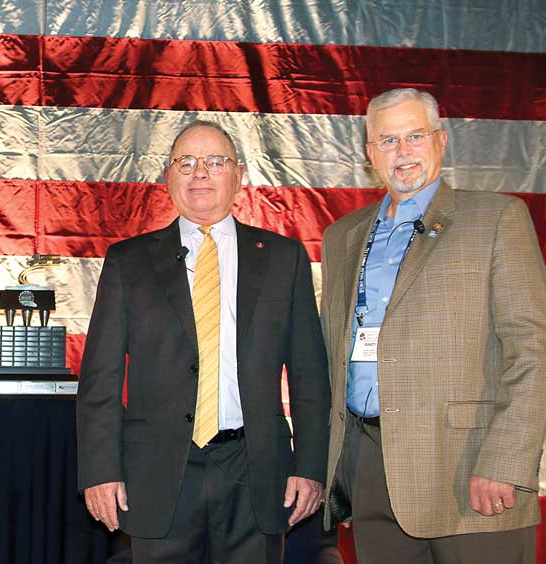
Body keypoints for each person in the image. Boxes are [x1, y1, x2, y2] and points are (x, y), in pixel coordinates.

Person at [77, 120, 330, 563]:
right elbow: (100, 378)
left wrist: (310, 467)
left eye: (215, 162)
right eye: (186, 163)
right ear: (168, 176)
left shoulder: (284, 258)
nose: (200, 174)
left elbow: (309, 376)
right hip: (156, 475)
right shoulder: (128, 261)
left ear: (238, 174)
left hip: (257, 472)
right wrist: (99, 471)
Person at [321, 87, 546, 564]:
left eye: (414, 136)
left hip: (472, 474)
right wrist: (340, 471)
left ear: (441, 140)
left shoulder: (498, 218)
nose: (402, 152)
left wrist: (504, 462)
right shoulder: (342, 235)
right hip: (370, 472)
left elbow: (534, 349)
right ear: (369, 154)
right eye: (387, 140)